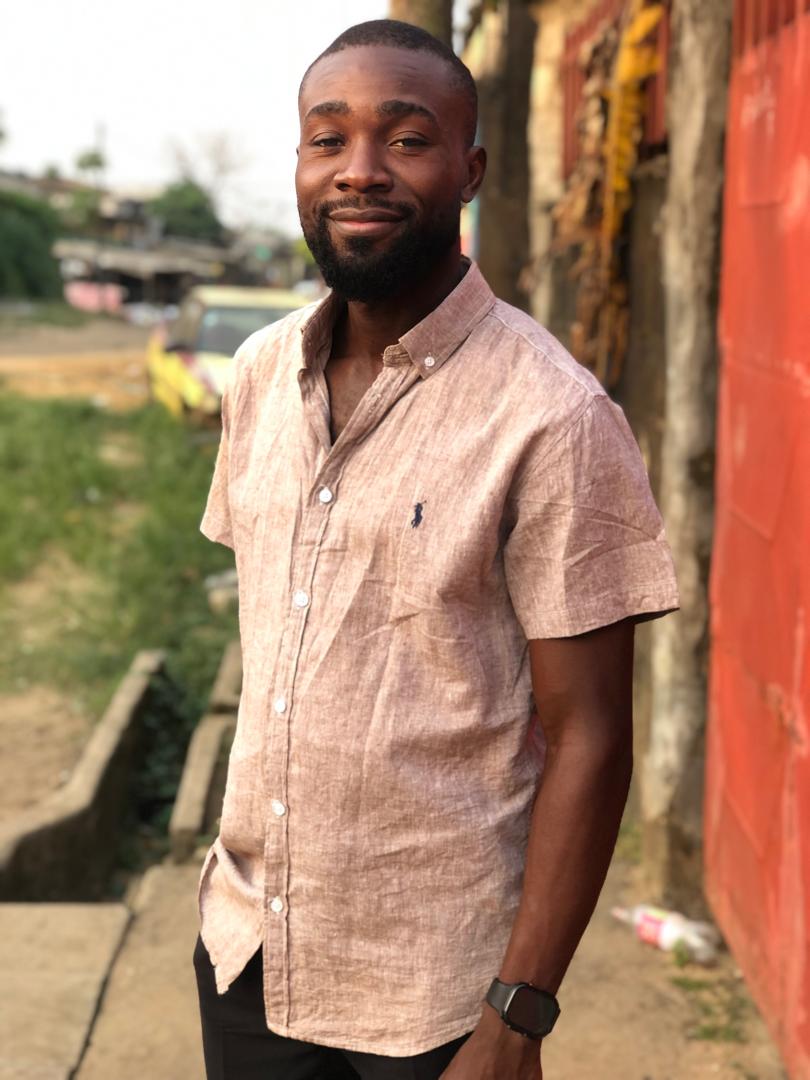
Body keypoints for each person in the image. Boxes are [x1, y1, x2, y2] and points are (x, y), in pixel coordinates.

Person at [193, 18, 679, 1080]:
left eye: (407, 139)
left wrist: (517, 1015)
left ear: (470, 169)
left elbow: (591, 736)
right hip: (248, 950)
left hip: (438, 996)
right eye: (328, 139)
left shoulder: (552, 417)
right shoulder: (260, 377)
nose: (359, 170)